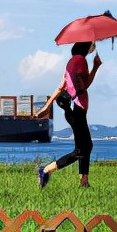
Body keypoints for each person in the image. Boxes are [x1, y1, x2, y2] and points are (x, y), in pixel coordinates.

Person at [34, 41, 101, 189]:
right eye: (92, 45)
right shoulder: (81, 61)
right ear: (85, 47)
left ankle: (84, 181)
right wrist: (96, 67)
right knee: (81, 150)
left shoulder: (70, 62)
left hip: (74, 110)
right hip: (78, 109)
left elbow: (60, 87)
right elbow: (84, 85)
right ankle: (46, 170)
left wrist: (47, 106)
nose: (93, 47)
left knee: (85, 146)